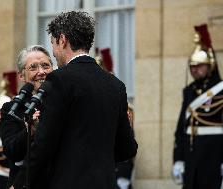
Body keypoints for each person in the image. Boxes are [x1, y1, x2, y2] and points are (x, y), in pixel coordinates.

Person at [12, 11, 138, 189]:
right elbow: (127, 149)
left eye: (54, 45)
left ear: (62, 40)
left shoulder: (58, 80)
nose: (54, 53)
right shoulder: (116, 85)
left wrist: (18, 184)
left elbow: (44, 144)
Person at [172, 24, 223, 189]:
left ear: (210, 65)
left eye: (199, 66)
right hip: (191, 160)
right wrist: (178, 158)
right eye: (192, 66)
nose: (195, 70)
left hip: (215, 160)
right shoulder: (189, 92)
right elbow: (181, 129)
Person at [0, 45, 54, 188]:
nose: (41, 72)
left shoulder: (64, 102)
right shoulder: (12, 109)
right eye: (33, 67)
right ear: (21, 76)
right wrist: (29, 133)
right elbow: (11, 151)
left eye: (45, 66)